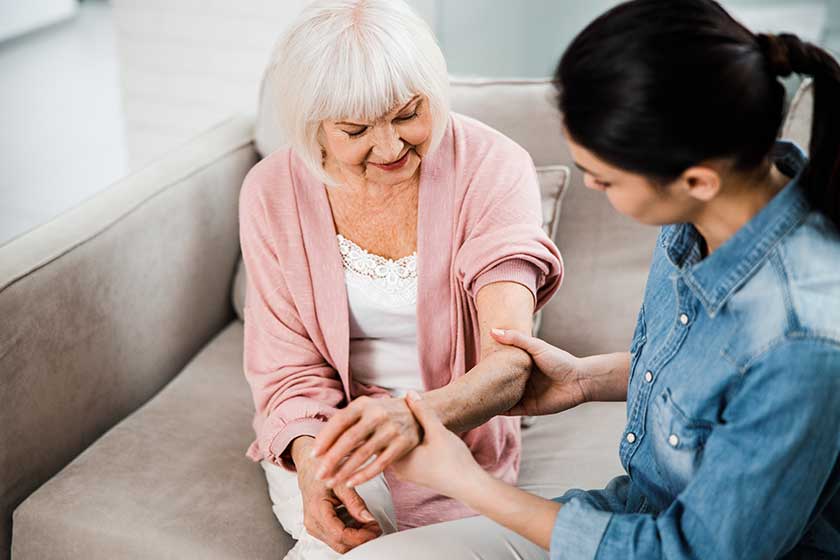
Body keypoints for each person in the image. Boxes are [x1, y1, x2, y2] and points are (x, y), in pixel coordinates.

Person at [343, 0, 840, 558]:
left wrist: (466, 482)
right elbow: (721, 382)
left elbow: (689, 551)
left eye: (603, 178)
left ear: (696, 179)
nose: (592, 189)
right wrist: (584, 379)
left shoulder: (806, 339)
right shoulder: (709, 215)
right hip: (629, 516)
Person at [237, 0, 563, 557]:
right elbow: (287, 367)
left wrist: (407, 420)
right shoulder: (271, 191)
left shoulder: (492, 166)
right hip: (326, 426)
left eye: (409, 114)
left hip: (458, 427)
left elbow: (509, 362)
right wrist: (314, 461)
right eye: (356, 129)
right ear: (312, 124)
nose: (389, 147)